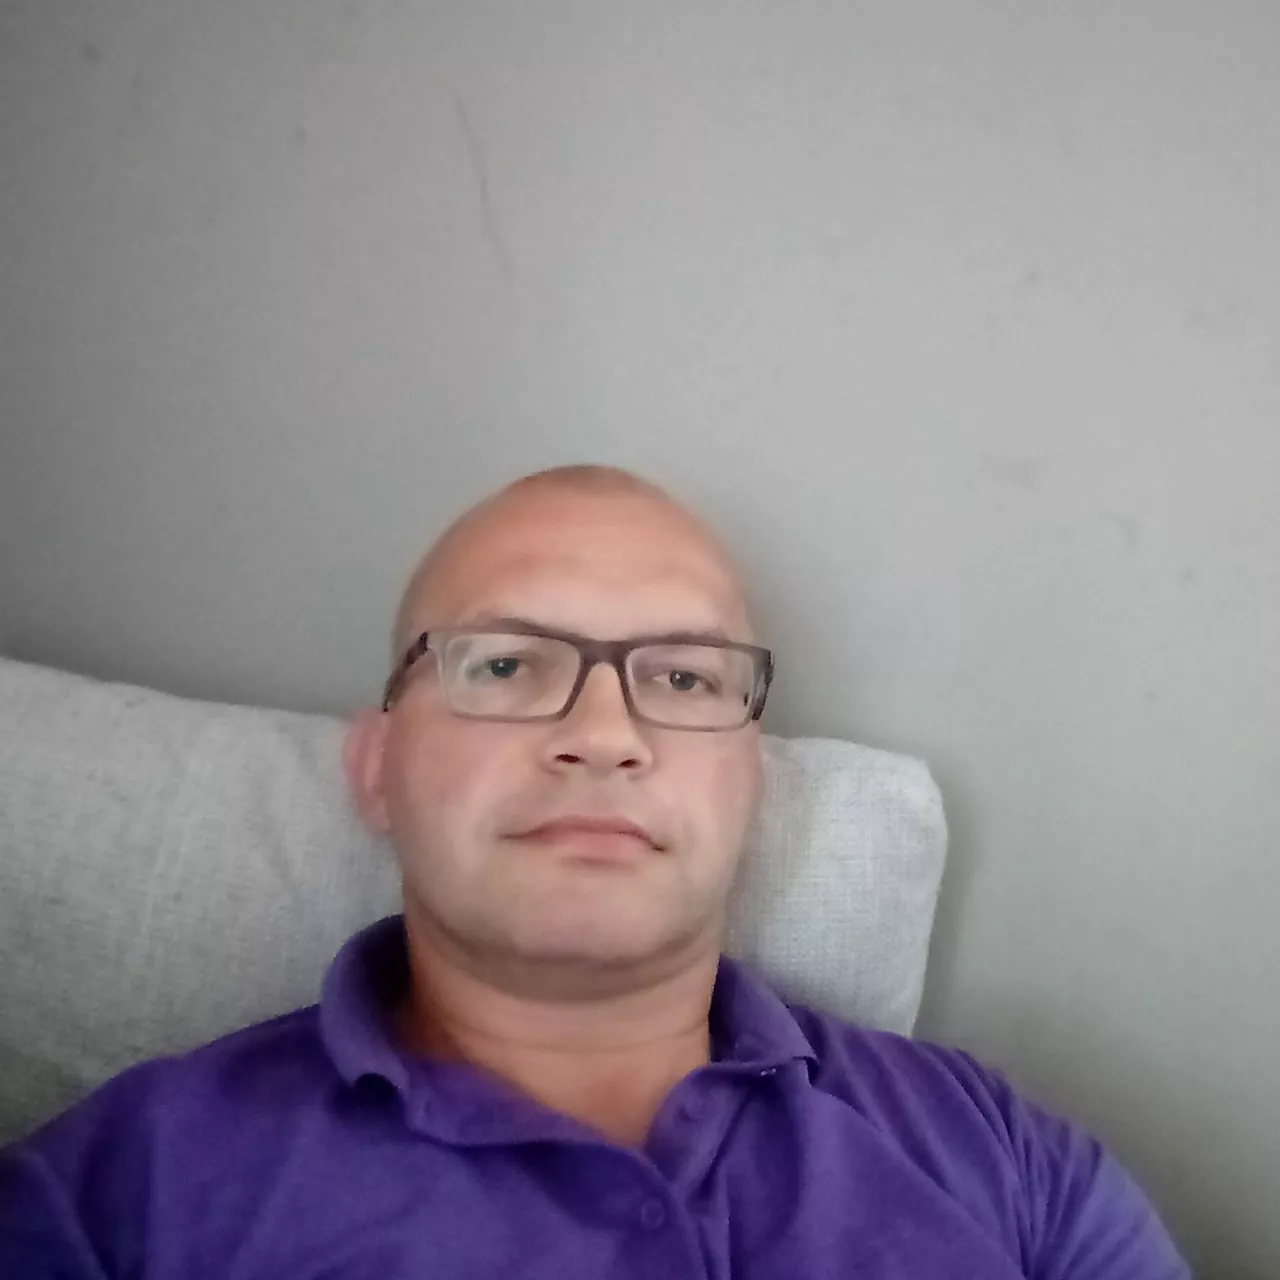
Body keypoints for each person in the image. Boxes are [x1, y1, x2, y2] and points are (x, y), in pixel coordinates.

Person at [0, 464, 1188, 1278]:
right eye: (505, 663)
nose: (604, 733)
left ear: (751, 780)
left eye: (682, 677)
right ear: (377, 766)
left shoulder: (1003, 1159)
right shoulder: (116, 1194)